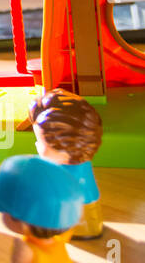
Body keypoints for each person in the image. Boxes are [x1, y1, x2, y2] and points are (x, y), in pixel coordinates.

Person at [0, 154, 84, 263]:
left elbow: (36, 262)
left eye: (4, 211)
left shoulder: (30, 251)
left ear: (21, 221)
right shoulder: (58, 237)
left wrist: (26, 256)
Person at [28, 88, 103, 239]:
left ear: (65, 147)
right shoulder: (76, 164)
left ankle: (78, 232)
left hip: (78, 217)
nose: (37, 146)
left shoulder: (67, 173)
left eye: (42, 143)